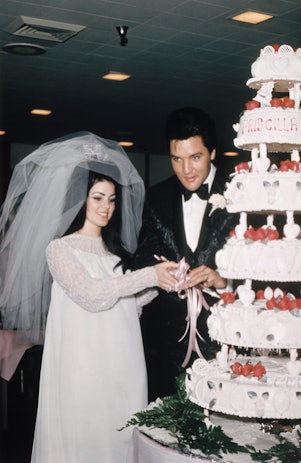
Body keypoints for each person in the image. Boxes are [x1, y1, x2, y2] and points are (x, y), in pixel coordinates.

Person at [0, 132, 177, 463]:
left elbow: (127, 305)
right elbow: (92, 294)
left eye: (111, 199)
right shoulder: (60, 249)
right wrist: (148, 276)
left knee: (121, 439)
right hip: (84, 364)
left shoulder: (116, 253)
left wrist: (162, 282)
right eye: (97, 198)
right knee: (87, 437)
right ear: (80, 199)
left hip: (123, 360)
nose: (106, 207)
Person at [133, 107, 238, 400]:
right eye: (177, 159)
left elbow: (267, 269)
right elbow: (142, 257)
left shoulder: (242, 194)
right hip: (170, 345)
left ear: (213, 152)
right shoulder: (156, 197)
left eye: (195, 157)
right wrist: (158, 273)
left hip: (230, 341)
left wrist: (224, 281)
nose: (186, 170)